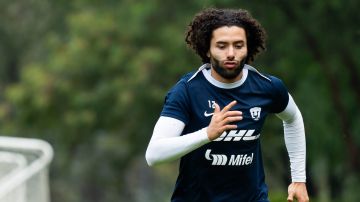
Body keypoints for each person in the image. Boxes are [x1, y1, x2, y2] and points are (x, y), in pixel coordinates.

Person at [145, 7, 309, 202]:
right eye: (221, 46)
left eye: (238, 46)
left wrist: (299, 178)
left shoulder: (268, 87)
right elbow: (154, 154)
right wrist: (207, 134)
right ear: (207, 49)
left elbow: (293, 119)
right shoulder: (186, 91)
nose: (231, 53)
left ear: (248, 47)